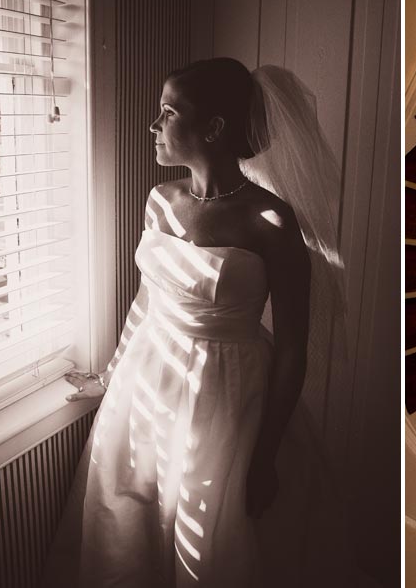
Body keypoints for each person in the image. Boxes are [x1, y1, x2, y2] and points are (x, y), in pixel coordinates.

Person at [41, 58, 349, 587]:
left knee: (210, 528)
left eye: (168, 112)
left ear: (213, 128)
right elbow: (147, 299)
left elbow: (295, 347)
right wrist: (110, 375)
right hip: (148, 381)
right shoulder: (160, 200)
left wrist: (266, 454)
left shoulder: (272, 221)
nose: (154, 126)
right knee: (132, 515)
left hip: (227, 397)